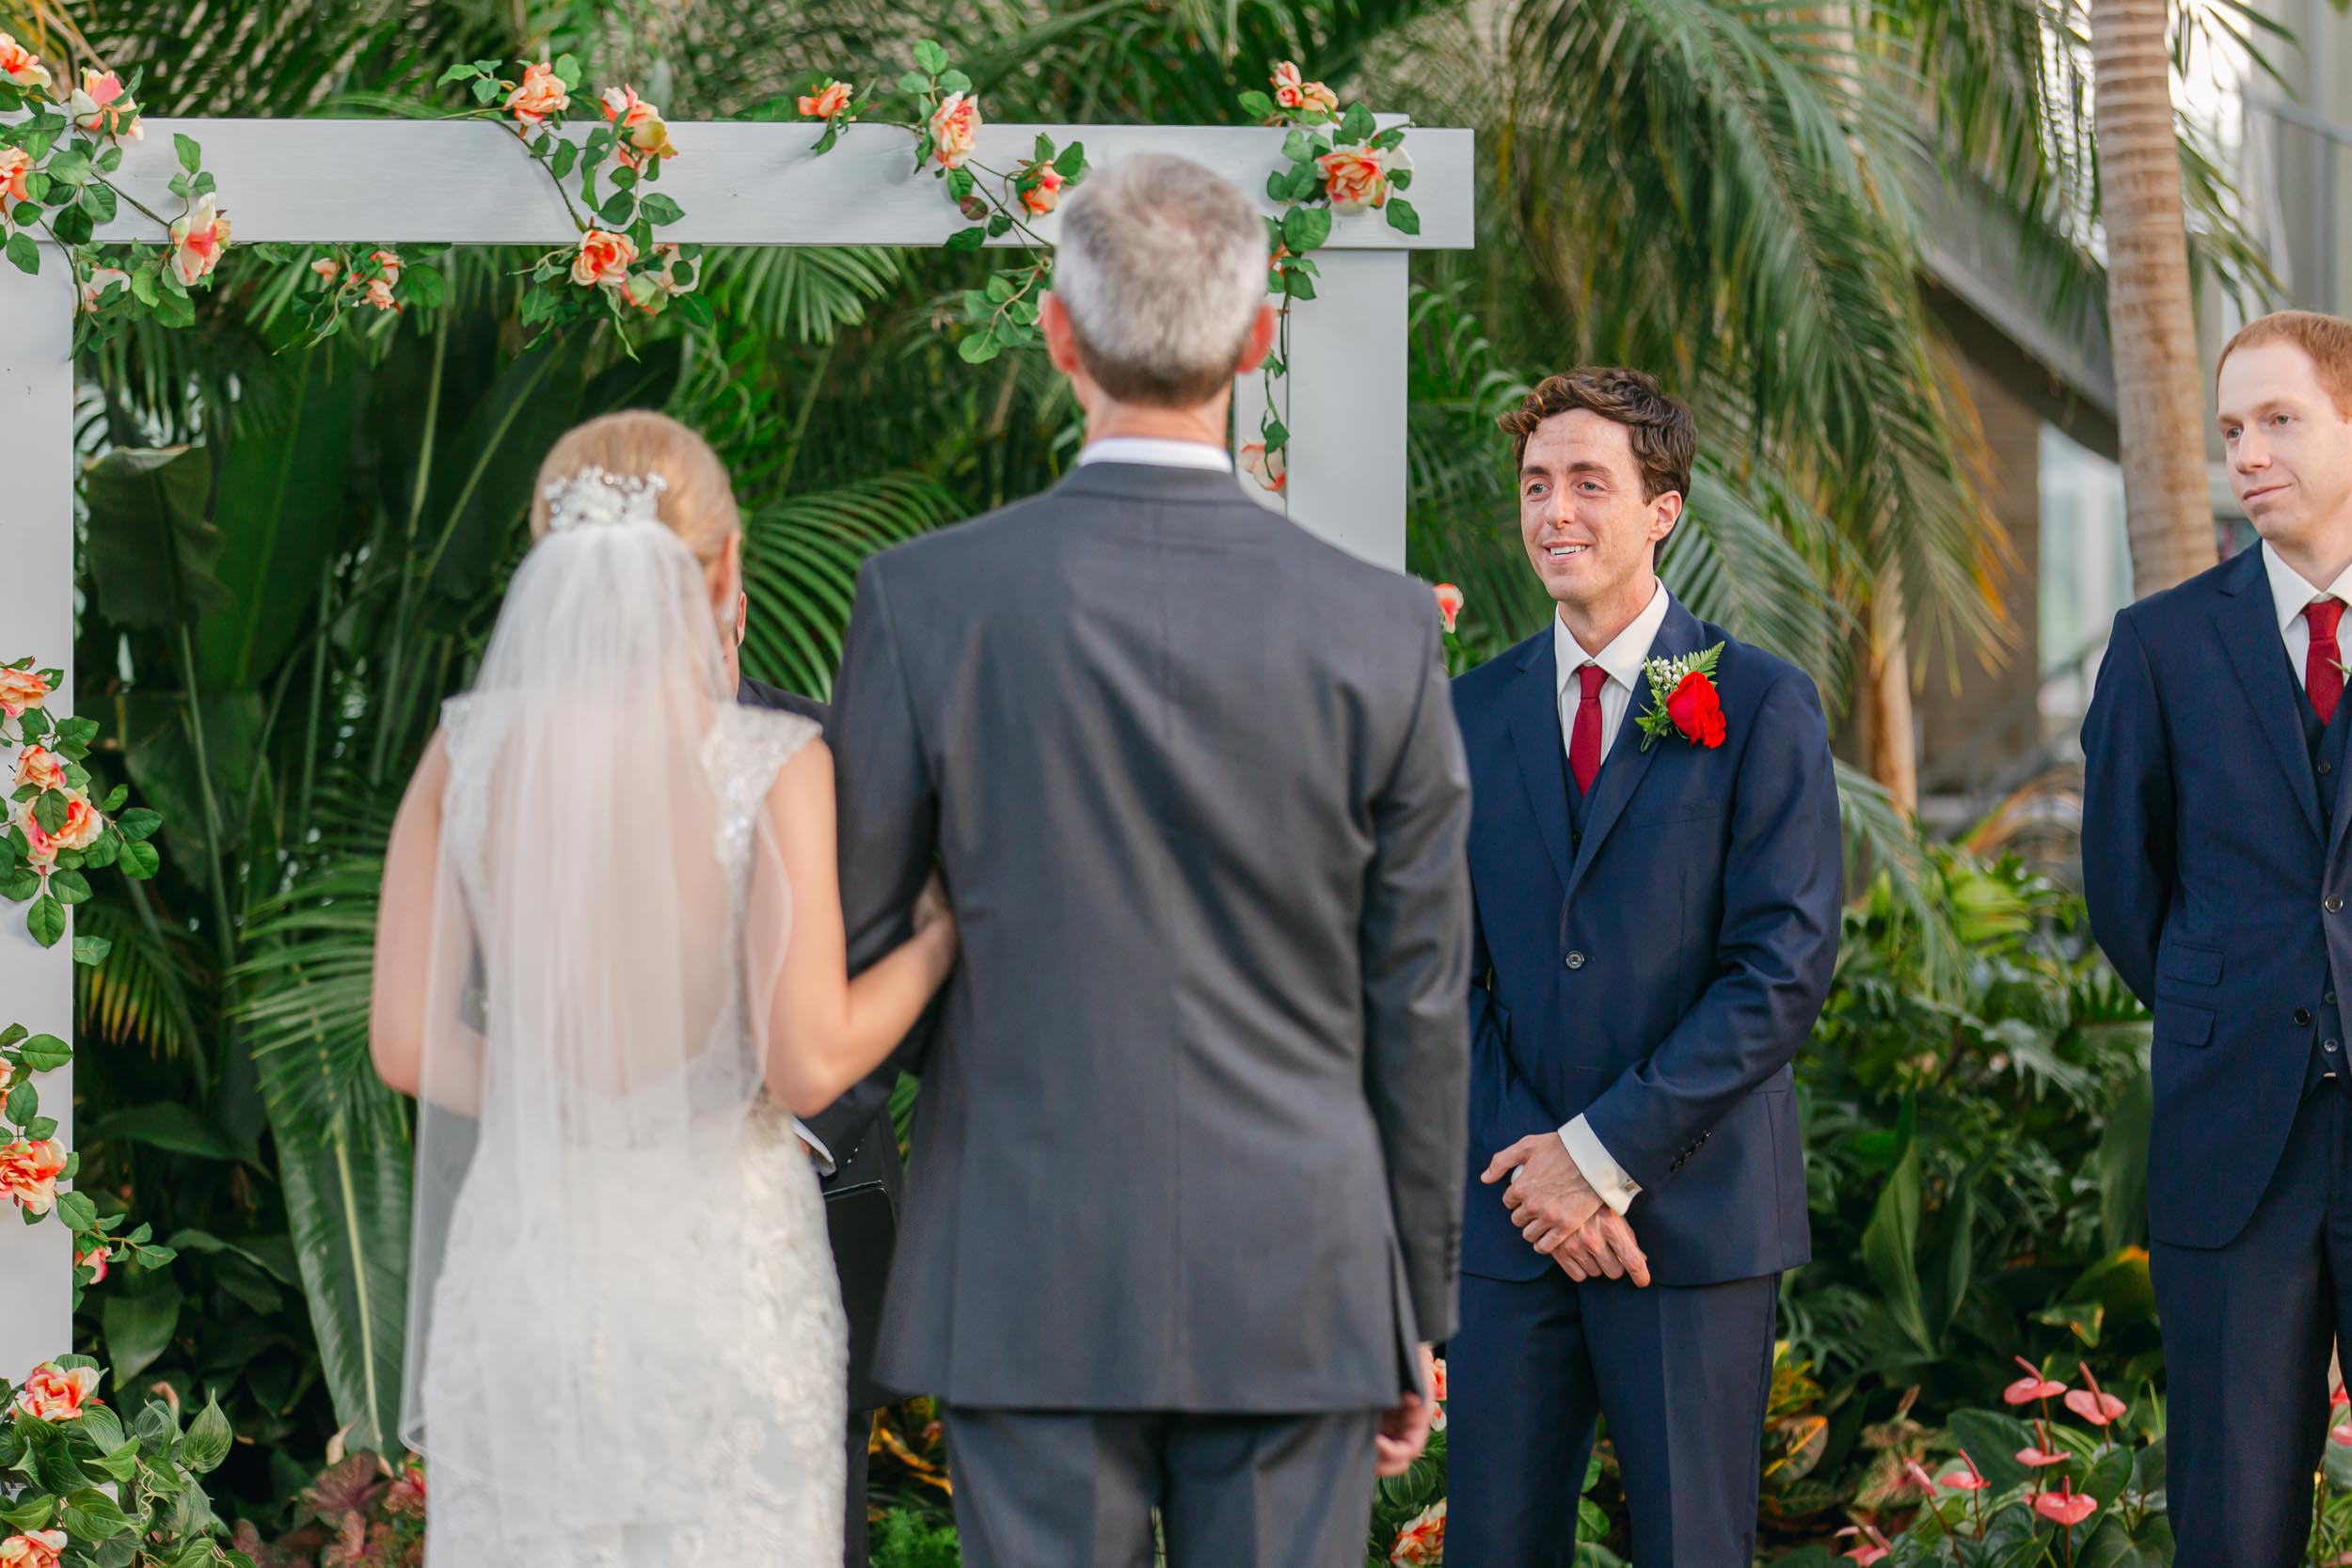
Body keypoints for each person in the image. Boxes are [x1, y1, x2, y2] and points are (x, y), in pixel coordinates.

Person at [826, 151, 1473, 1568]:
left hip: (1024, 1254)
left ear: (1059, 337)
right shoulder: (1379, 628)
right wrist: (1415, 1299)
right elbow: (1419, 995)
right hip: (1300, 1276)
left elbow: (855, 950)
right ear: (1255, 342)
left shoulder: (925, 603)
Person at [369, 410, 958, 1568]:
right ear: (726, 566)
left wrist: (573, 1098)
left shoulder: (464, 753)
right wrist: (937, 942)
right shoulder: (774, 765)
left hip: (529, 1268)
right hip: (721, 1275)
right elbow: (805, 1061)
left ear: (548, 559)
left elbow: (404, 1041)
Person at [1443, 369, 1841, 1566]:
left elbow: (1779, 967)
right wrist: (1538, 1174)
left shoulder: (1758, 701)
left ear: (1661, 508)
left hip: (1692, 1217)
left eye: (1586, 483)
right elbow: (1431, 969)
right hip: (1511, 1217)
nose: (1553, 511)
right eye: (1533, 485)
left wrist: (1600, 1157)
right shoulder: (1466, 711)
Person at [2082, 309, 2352, 1567]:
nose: (2246, 449)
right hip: (2234, 1133)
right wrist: (2233, 995)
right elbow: (2126, 895)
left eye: (2280, 418)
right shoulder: (2161, 645)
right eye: (2231, 426)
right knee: (2235, 1522)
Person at [724, 594, 902, 1568]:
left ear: (742, 601)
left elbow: (905, 952)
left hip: (817, 1197)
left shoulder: (831, 749)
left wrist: (800, 1124)